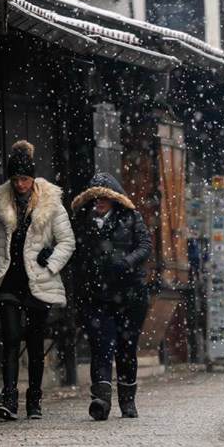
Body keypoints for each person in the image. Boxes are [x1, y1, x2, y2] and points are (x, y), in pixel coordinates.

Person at [0, 140, 75, 421]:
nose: (20, 184)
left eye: (24, 178)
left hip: (38, 281)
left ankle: (34, 399)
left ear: (33, 178)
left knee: (35, 343)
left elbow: (67, 241)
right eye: (15, 179)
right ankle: (9, 398)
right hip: (8, 279)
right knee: (9, 338)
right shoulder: (0, 203)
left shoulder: (50, 203)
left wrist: (51, 263)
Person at [72, 172, 152, 420]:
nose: (98, 201)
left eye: (104, 197)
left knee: (127, 349)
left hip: (130, 294)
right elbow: (74, 250)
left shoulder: (131, 217)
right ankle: (101, 400)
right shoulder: (83, 222)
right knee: (101, 346)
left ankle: (127, 401)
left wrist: (125, 262)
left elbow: (145, 246)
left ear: (114, 199)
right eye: (94, 197)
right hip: (98, 295)